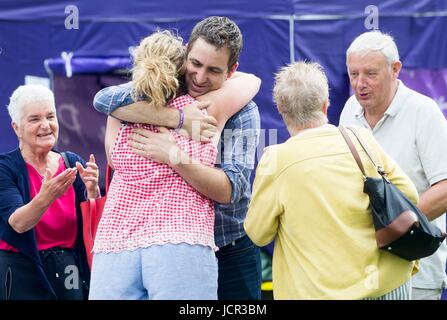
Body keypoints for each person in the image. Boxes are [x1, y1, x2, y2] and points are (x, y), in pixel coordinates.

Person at [93, 16, 262, 300]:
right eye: (195, 64)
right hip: (157, 241)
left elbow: (232, 189)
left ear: (231, 71)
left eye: (213, 70)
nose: (199, 77)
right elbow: (105, 99)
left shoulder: (243, 112)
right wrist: (179, 119)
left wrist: (174, 156)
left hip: (229, 242)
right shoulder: (161, 88)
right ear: (186, 53)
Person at [244, 61, 420, 299]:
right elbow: (409, 194)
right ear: (326, 105)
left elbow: (258, 233)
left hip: (318, 292)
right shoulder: (360, 137)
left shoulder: (275, 160)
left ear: (280, 108)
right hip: (387, 283)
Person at [339, 30, 447, 300]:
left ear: (395, 69)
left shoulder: (424, 112)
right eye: (353, 74)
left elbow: (445, 188)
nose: (360, 83)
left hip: (415, 273)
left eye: (370, 74)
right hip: (360, 273)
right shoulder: (349, 109)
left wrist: (391, 228)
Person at [0, 84, 99, 300]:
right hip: (21, 268)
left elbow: (94, 227)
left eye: (50, 116)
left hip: (67, 266)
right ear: (16, 128)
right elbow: (18, 223)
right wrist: (47, 196)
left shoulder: (72, 162)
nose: (45, 125)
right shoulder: (4, 168)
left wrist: (93, 194)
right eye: (34, 119)